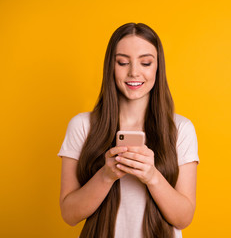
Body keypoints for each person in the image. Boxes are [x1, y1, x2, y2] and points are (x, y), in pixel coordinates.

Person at [57, 23, 199, 238]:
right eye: (123, 62)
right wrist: (106, 176)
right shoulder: (82, 126)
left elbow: (183, 218)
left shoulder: (180, 129)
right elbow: (69, 214)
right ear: (110, 67)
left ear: (157, 68)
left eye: (145, 62)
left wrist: (152, 177)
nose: (134, 72)